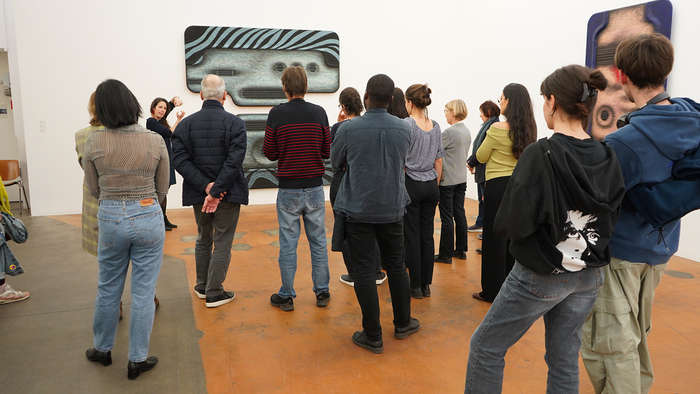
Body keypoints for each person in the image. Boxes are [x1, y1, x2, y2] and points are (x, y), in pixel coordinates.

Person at [465, 64, 625, 394]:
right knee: (565, 358)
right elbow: (611, 216)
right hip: (589, 274)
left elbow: (513, 223)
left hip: (543, 273)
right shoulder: (607, 154)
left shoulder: (542, 153)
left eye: (543, 99)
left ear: (551, 101)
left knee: (486, 347)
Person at [581, 33, 700, 394]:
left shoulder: (624, 142)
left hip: (622, 253)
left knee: (610, 345)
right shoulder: (691, 120)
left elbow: (595, 204)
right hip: (660, 249)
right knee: (634, 335)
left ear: (621, 74)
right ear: (666, 72)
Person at [83, 79, 169, 380]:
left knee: (108, 286)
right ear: (133, 104)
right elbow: (162, 188)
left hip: (110, 217)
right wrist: (144, 204)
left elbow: (93, 189)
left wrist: (115, 201)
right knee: (144, 292)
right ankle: (137, 360)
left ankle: (103, 350)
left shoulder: (93, 142)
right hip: (148, 213)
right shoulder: (154, 140)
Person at [332, 74, 419, 354]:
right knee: (395, 266)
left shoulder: (348, 128)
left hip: (359, 209)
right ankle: (403, 323)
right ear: (392, 100)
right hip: (393, 208)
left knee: (365, 272)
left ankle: (373, 335)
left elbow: (336, 162)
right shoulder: (406, 128)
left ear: (366, 96)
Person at [171, 74, 249, 308]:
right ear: (225, 96)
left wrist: (206, 187)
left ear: (202, 95)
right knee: (223, 240)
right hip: (227, 194)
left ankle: (203, 286)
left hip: (199, 195)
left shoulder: (185, 125)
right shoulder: (236, 124)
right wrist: (216, 190)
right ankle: (215, 292)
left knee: (204, 238)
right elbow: (234, 162)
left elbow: (180, 161)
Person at [263, 65, 331, 312]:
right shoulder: (319, 113)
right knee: (318, 241)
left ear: (284, 88)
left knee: (288, 243)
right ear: (306, 86)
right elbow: (327, 151)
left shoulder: (276, 114)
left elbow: (269, 153)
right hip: (314, 187)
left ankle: (287, 295)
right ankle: (322, 292)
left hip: (288, 189)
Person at [472, 83, 536, 303]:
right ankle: (511, 288)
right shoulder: (529, 128)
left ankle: (491, 291)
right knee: (512, 239)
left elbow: (480, 156)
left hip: (497, 187)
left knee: (493, 240)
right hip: (519, 186)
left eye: (501, 98)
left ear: (509, 101)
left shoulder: (496, 129)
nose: (500, 102)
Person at [329, 87, 386, 287]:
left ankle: (355, 274)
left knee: (345, 228)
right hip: (369, 181)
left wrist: (338, 124)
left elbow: (335, 162)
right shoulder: (369, 125)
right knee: (372, 227)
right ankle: (377, 272)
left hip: (345, 181)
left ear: (343, 107)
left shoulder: (339, 129)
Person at [403, 83, 444, 299]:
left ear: (410, 102)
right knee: (427, 236)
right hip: (431, 184)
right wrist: (435, 186)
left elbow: (402, 161)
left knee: (412, 236)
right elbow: (439, 160)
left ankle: (415, 286)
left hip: (412, 183)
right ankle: (427, 285)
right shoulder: (436, 126)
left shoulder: (407, 124)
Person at [434, 99, 471, 263]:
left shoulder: (449, 133)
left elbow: (434, 152)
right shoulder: (466, 131)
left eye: (447, 111)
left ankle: (445, 254)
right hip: (461, 179)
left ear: (453, 111)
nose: (446, 114)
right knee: (459, 214)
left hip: (448, 180)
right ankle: (461, 250)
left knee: (447, 217)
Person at [146, 97, 185, 231]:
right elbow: (169, 133)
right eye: (160, 108)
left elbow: (170, 105)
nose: (163, 110)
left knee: (165, 189)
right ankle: (159, 219)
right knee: (161, 190)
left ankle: (164, 217)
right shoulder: (151, 122)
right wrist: (178, 120)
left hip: (167, 158)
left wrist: (175, 100)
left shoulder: (160, 121)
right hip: (159, 160)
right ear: (153, 109)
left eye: (164, 108)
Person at [466, 101, 500, 235]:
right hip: (482, 168)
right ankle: (481, 224)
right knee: (482, 200)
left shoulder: (492, 127)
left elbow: (483, 149)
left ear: (489, 112)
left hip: (487, 169)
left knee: (486, 201)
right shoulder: (489, 125)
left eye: (482, 112)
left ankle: (487, 229)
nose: (480, 115)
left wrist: (471, 161)